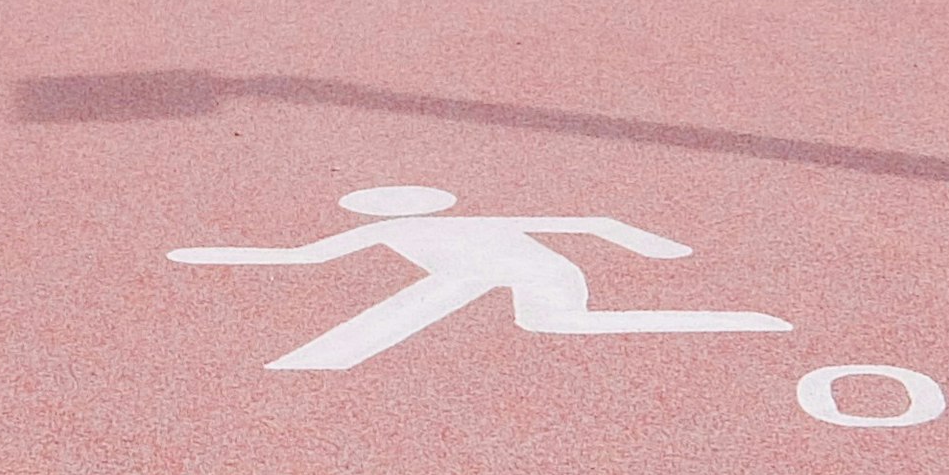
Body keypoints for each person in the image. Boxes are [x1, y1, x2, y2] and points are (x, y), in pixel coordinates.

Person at [170, 185, 789, 372]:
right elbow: (306, 259)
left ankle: (734, 318)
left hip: (537, 270)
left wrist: (651, 246)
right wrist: (221, 254)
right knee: (555, 323)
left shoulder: (394, 231)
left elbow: (591, 218)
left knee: (558, 322)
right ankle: (734, 318)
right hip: (502, 275)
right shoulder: (386, 233)